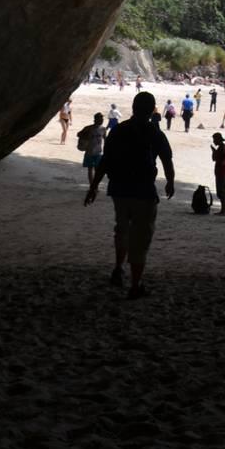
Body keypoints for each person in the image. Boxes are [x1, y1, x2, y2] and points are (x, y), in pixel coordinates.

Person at [84, 91, 174, 300]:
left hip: (119, 189)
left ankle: (118, 269)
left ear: (133, 107)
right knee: (141, 237)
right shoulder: (154, 132)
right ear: (152, 110)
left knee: (122, 229)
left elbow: (106, 161)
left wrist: (94, 186)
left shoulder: (119, 130)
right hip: (143, 190)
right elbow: (166, 159)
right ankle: (135, 284)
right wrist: (169, 181)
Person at [80, 112, 108, 185]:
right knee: (90, 169)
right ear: (95, 119)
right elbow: (79, 134)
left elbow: (105, 139)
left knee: (97, 171)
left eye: (102, 119)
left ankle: (95, 186)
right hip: (89, 152)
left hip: (99, 153)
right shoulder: (88, 128)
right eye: (100, 119)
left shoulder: (103, 129)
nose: (102, 120)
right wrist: (86, 137)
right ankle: (92, 185)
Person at [210, 132, 225, 208]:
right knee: (220, 192)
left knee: (221, 192)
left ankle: (223, 209)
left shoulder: (223, 148)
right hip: (220, 172)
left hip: (222, 172)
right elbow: (215, 159)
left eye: (214, 139)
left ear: (218, 139)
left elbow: (221, 161)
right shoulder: (221, 147)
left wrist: (215, 152)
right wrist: (214, 152)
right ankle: (223, 209)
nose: (214, 141)